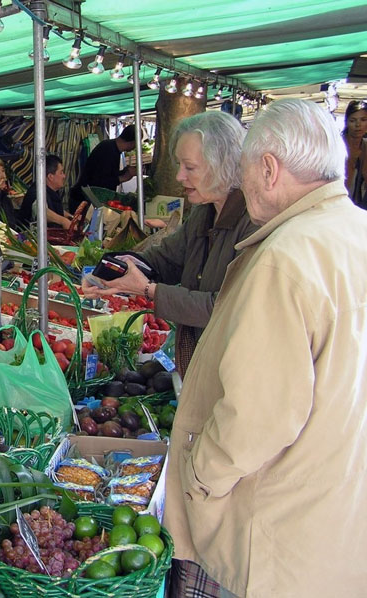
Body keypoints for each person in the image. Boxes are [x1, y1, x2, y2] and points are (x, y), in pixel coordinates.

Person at [164, 98, 367, 598]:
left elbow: (260, 415)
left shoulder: (285, 256)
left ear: (269, 168)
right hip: (335, 516)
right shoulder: (355, 231)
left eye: (247, 168)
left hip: (276, 529)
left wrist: (199, 476)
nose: (243, 181)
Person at [82, 111, 259, 375]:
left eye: (190, 167)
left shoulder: (253, 223)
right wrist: (111, 270)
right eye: (179, 165)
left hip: (230, 370)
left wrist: (148, 290)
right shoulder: (204, 212)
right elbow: (165, 259)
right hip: (197, 360)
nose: (179, 176)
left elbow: (223, 307)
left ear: (223, 163)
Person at [69, 124, 137, 212]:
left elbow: (108, 174)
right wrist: (123, 178)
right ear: (132, 142)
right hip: (83, 202)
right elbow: (100, 181)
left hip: (89, 201)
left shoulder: (113, 148)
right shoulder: (107, 150)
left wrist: (124, 172)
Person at [17, 154, 71, 229]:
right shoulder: (36, 192)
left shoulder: (51, 191)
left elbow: (54, 209)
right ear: (50, 177)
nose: (64, 176)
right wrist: (63, 221)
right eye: (61, 172)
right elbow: (42, 211)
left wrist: (71, 217)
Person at [343, 99, 367, 207]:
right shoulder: (338, 146)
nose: (358, 125)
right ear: (347, 123)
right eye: (353, 120)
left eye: (363, 120)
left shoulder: (365, 146)